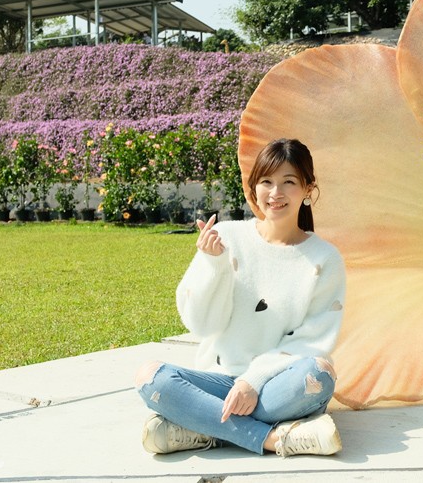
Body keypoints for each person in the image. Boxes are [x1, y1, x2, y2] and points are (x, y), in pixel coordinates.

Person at [134, 138, 346, 457]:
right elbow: (202, 324)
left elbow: (313, 339)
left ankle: (199, 426)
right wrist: (213, 264)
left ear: (307, 189)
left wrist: (253, 380)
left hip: (276, 385)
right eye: (266, 182)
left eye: (288, 182)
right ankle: (274, 438)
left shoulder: (324, 259)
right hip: (219, 380)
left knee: (318, 374)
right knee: (151, 378)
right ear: (253, 188)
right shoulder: (228, 238)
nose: (275, 193)